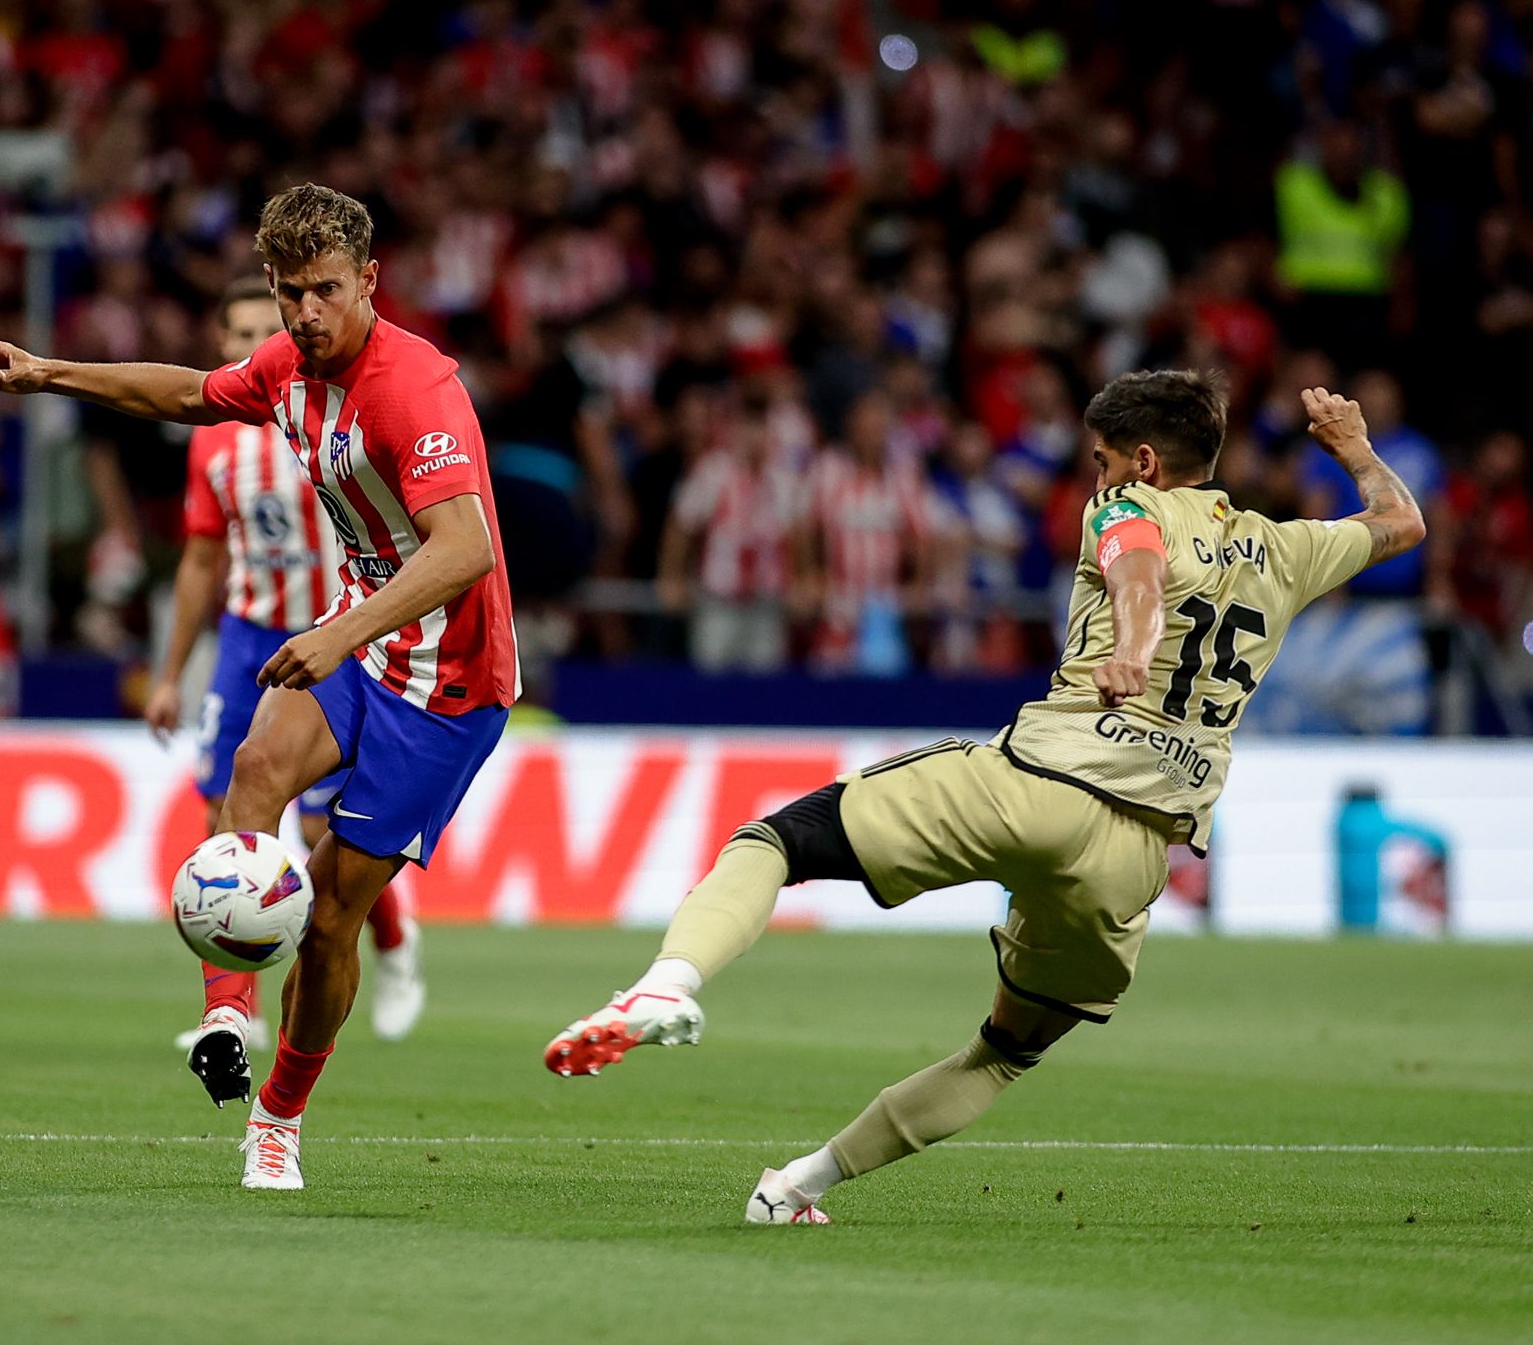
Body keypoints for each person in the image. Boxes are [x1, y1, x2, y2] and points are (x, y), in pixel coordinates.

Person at [545, 370, 1425, 1224]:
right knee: (1005, 1053)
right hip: (1133, 854)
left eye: (1101, 458)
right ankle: (799, 1185)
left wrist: (1132, 645)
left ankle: (666, 986)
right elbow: (1399, 520)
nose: (1097, 475)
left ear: (1143, 461)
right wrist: (1353, 449)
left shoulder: (1127, 506)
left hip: (1034, 784)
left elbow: (1140, 575)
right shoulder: (1286, 545)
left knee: (777, 842)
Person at [0, 183, 517, 1191]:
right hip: (357, 643)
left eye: (324, 292)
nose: (305, 314)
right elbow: (184, 395)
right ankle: (226, 1011)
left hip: (446, 684)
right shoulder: (287, 365)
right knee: (253, 772)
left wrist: (335, 632)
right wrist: (45, 373)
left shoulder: (415, 388)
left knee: (331, 917)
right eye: (288, 292)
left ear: (369, 283)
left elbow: (468, 550)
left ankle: (278, 1117)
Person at [143, 278, 426, 1102]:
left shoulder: (328, 420)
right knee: (222, 817)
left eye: (257, 332)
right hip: (248, 638)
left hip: (336, 638)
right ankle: (231, 1011)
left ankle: (397, 945)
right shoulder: (212, 443)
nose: (245, 347)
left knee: (319, 828)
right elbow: (201, 559)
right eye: (232, 333)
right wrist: (170, 675)